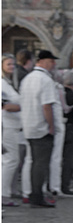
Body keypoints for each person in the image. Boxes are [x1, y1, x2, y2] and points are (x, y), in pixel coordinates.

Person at [20, 49, 61, 209]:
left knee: (34, 162)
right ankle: (37, 195)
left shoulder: (27, 78)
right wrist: (51, 126)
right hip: (41, 126)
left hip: (29, 125)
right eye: (51, 61)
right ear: (43, 61)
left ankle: (33, 193)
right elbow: (47, 105)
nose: (54, 64)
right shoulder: (45, 80)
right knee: (41, 163)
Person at [2, 55, 23, 206]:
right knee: (11, 160)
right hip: (5, 126)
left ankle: (8, 190)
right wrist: (27, 106)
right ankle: (3, 194)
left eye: (13, 64)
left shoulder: (9, 84)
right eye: (8, 64)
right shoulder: (2, 84)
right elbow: (5, 106)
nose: (12, 66)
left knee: (10, 161)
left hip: (13, 126)